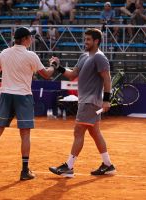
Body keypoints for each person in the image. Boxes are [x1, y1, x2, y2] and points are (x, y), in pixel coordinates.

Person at [0, 27, 55, 181]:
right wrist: (54, 65)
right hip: (23, 97)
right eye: (30, 37)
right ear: (25, 39)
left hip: (5, 96)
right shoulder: (31, 55)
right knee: (25, 134)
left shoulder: (4, 53)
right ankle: (25, 171)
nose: (31, 40)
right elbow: (46, 74)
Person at [49, 28, 116, 177]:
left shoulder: (100, 57)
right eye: (85, 39)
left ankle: (69, 166)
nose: (85, 42)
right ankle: (108, 165)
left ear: (96, 41)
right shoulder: (84, 56)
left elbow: (107, 78)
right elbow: (72, 75)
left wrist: (106, 100)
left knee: (78, 131)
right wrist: (57, 66)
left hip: (91, 102)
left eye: (88, 39)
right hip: (85, 100)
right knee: (95, 132)